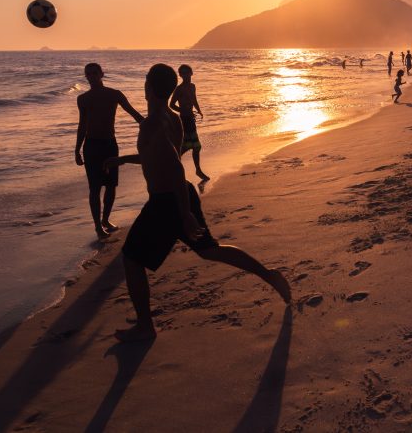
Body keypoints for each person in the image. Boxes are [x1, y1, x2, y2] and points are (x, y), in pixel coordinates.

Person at [106, 64, 291, 343]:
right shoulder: (173, 118)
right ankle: (269, 275)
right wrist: (122, 160)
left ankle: (145, 327)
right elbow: (160, 156)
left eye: (145, 80)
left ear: (148, 87)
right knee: (210, 250)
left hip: (167, 200)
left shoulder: (151, 122)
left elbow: (174, 168)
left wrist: (184, 214)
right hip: (182, 195)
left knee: (132, 260)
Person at [75, 62, 144, 239]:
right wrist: (77, 150)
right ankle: (98, 227)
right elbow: (82, 126)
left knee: (111, 186)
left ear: (101, 74)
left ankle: (105, 220)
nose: (91, 76)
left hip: (110, 144)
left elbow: (134, 114)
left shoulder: (114, 94)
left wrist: (153, 126)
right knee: (95, 188)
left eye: (94, 73)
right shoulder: (83, 99)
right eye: (88, 74)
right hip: (91, 146)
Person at [171, 64, 209, 183]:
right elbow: (171, 104)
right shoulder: (179, 89)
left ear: (191, 73)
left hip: (191, 119)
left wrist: (198, 110)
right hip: (184, 120)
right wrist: (183, 111)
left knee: (192, 146)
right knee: (192, 146)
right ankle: (175, 167)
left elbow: (194, 99)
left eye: (188, 72)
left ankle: (181, 168)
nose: (186, 75)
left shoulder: (192, 86)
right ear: (180, 75)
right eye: (183, 73)